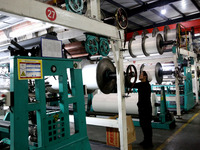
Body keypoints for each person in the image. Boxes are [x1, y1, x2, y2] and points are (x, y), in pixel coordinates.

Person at [132, 71, 153, 148]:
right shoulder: (144, 85)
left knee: (146, 126)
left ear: (145, 77)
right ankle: (146, 140)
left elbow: (130, 85)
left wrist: (128, 77)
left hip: (145, 109)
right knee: (144, 125)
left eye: (141, 74)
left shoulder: (144, 85)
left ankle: (149, 143)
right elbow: (131, 85)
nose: (139, 75)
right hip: (143, 108)